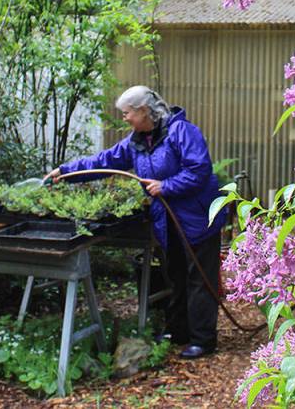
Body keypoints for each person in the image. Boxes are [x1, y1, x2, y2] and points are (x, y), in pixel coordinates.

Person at [45, 85, 226, 359]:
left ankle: (203, 339)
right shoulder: (137, 142)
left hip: (199, 218)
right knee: (175, 275)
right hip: (168, 221)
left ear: (143, 111)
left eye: (127, 113)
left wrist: (167, 186)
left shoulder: (182, 132)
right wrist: (67, 172)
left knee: (199, 277)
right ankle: (179, 331)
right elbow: (104, 160)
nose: (125, 119)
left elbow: (200, 170)